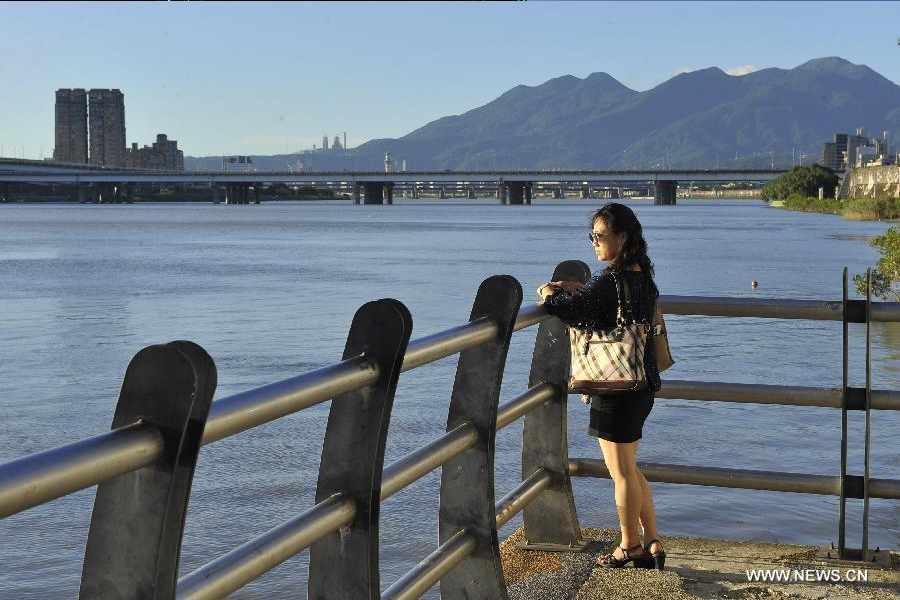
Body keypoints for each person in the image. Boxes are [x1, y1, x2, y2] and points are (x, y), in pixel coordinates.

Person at [537, 202, 665, 570]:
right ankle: (652, 540)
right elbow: (601, 303)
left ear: (621, 237)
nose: (594, 243)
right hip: (641, 385)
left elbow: (567, 308)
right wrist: (580, 289)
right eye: (591, 236)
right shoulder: (642, 276)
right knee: (631, 468)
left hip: (615, 388)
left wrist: (549, 293)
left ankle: (629, 546)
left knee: (621, 472)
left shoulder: (609, 281)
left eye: (599, 235)